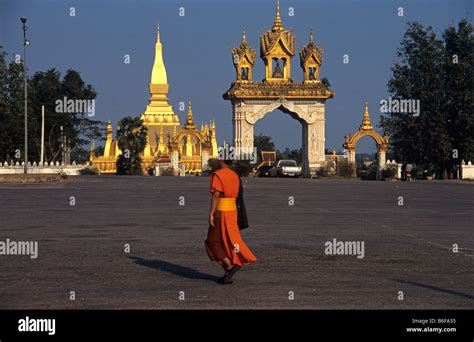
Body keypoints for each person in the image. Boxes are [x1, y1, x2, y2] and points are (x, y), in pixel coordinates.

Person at [205, 158, 257, 284]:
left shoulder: (219, 175)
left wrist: (211, 213)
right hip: (232, 212)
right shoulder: (235, 176)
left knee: (212, 241)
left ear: (221, 162)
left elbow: (216, 196)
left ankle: (229, 265)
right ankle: (229, 270)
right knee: (230, 239)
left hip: (221, 212)